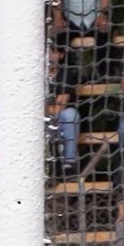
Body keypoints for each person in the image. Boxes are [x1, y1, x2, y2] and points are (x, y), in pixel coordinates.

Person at [46, 43, 82, 173]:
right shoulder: (34, 74)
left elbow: (59, 108)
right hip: (37, 120)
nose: (49, 55)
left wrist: (42, 108)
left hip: (58, 120)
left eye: (53, 52)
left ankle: (69, 163)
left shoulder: (66, 73)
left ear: (61, 55)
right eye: (46, 52)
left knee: (70, 114)